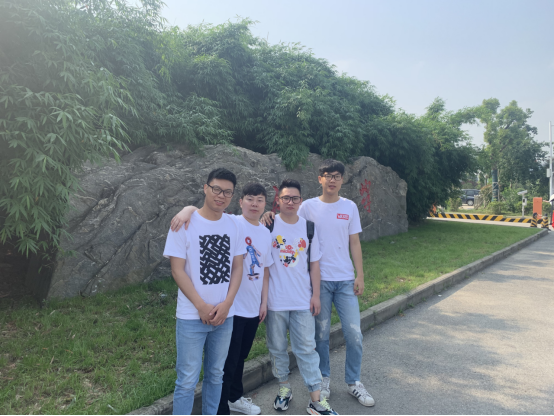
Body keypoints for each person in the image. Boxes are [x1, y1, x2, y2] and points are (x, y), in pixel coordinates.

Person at [263, 160, 375, 408]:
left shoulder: (350, 207)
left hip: (345, 280)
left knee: (354, 334)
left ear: (342, 179)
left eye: (336, 176)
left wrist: (360, 275)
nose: (332, 180)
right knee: (320, 336)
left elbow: (354, 242)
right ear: (320, 179)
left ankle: (354, 382)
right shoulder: (307, 206)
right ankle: (323, 380)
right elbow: (288, 221)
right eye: (327, 175)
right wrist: (267, 215)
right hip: (319, 282)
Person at [170, 183, 273, 416]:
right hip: (227, 307)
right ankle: (223, 407)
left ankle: (233, 399)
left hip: (244, 307)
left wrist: (263, 302)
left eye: (260, 200)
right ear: (240, 201)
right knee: (207, 372)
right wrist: (187, 209)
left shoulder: (265, 231)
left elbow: (264, 269)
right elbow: (207, 212)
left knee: (231, 363)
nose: (254, 204)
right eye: (250, 199)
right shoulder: (234, 222)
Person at [163, 168, 246, 415]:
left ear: (233, 196)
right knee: (187, 380)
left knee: (216, 375)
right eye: (216, 189)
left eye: (227, 192)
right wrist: (200, 306)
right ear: (205, 188)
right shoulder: (183, 224)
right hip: (191, 316)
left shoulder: (234, 224)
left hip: (224, 315)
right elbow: (177, 270)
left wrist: (228, 303)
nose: (221, 196)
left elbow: (238, 267)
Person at [266, 179, 338, 416]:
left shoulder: (308, 228)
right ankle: (284, 388)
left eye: (295, 198)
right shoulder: (268, 225)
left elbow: (314, 265)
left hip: (302, 300)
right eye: (286, 198)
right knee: (277, 348)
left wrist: (316, 295)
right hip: (275, 301)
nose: (290, 202)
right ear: (278, 200)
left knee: (307, 349)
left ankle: (315, 400)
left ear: (300, 201)